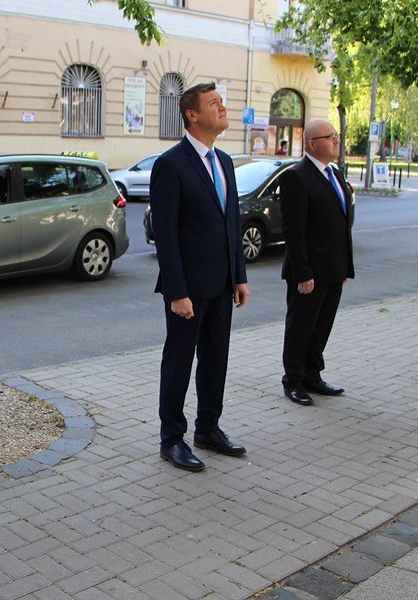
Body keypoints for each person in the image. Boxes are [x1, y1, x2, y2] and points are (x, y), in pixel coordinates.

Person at [150, 82, 250, 472]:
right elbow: (166, 235)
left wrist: (239, 276)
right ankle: (171, 439)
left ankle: (208, 428)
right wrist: (177, 291)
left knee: (215, 359)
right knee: (179, 362)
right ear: (192, 115)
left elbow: (231, 223)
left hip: (221, 283)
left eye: (221, 102)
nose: (222, 108)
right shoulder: (171, 164)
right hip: (187, 290)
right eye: (214, 103)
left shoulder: (224, 161)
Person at [279, 119, 354, 406]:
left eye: (336, 135)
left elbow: (342, 225)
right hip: (308, 272)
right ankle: (293, 380)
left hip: (333, 268)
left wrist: (345, 266)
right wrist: (303, 273)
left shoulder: (335, 173)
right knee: (301, 327)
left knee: (321, 326)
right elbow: (293, 231)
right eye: (329, 136)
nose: (336, 140)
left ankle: (312, 375)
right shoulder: (297, 176)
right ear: (312, 144)